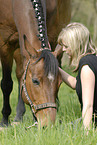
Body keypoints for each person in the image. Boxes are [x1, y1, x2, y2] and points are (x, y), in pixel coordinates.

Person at [58, 22, 97, 130]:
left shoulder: (86, 66)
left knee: (60, 130)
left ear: (76, 45)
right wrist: (57, 69)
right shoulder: (93, 59)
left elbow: (88, 106)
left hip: (94, 122)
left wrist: (86, 135)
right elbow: (77, 84)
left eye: (66, 46)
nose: (63, 50)